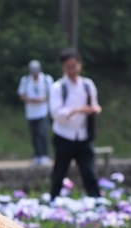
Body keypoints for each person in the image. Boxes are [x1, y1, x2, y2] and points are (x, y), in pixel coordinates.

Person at [49, 49, 102, 198]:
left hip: (83, 134)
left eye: (74, 66)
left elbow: (94, 104)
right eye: (68, 67)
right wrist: (78, 110)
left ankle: (96, 199)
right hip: (64, 134)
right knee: (60, 170)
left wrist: (94, 109)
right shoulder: (58, 87)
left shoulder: (87, 84)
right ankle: (54, 197)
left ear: (80, 65)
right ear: (63, 68)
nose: (72, 70)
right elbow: (57, 113)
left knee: (88, 170)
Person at [18, 60, 54, 165]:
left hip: (42, 111)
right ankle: (37, 155)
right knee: (34, 134)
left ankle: (45, 155)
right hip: (30, 112)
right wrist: (28, 99)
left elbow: (51, 94)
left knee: (42, 133)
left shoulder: (46, 79)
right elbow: (21, 94)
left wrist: (42, 99)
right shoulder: (25, 80)